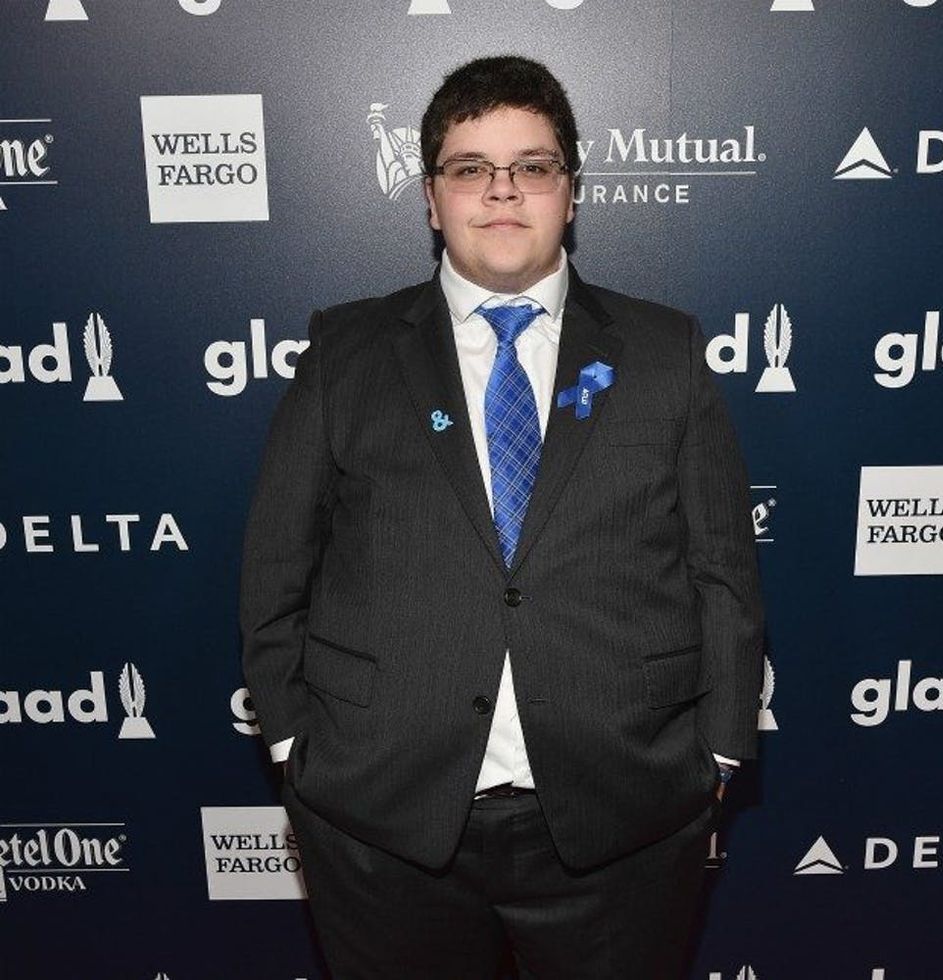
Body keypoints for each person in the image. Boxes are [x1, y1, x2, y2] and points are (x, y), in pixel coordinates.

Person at [241, 54, 764, 980]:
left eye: (533, 165)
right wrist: (292, 744)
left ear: (572, 191)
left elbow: (721, 571)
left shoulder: (665, 349)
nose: (502, 190)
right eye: (470, 167)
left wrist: (718, 754)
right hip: (381, 821)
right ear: (431, 198)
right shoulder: (345, 353)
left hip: (626, 818)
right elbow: (278, 567)